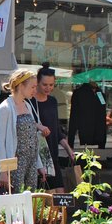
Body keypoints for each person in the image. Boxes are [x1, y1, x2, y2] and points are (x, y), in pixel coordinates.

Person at [0, 69, 44, 192]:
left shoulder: (27, 105)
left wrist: (39, 165)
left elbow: (32, 138)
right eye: (32, 87)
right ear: (21, 86)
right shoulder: (5, 108)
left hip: (31, 162)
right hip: (15, 163)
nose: (35, 90)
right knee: (16, 197)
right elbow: (0, 142)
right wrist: (3, 171)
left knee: (31, 197)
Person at [30, 64, 75, 193]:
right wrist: (38, 127)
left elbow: (57, 130)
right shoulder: (29, 102)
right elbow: (24, 126)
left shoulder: (52, 101)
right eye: (44, 84)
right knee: (44, 197)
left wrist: (68, 149)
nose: (48, 88)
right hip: (38, 156)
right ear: (37, 83)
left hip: (53, 156)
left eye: (51, 84)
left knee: (61, 195)